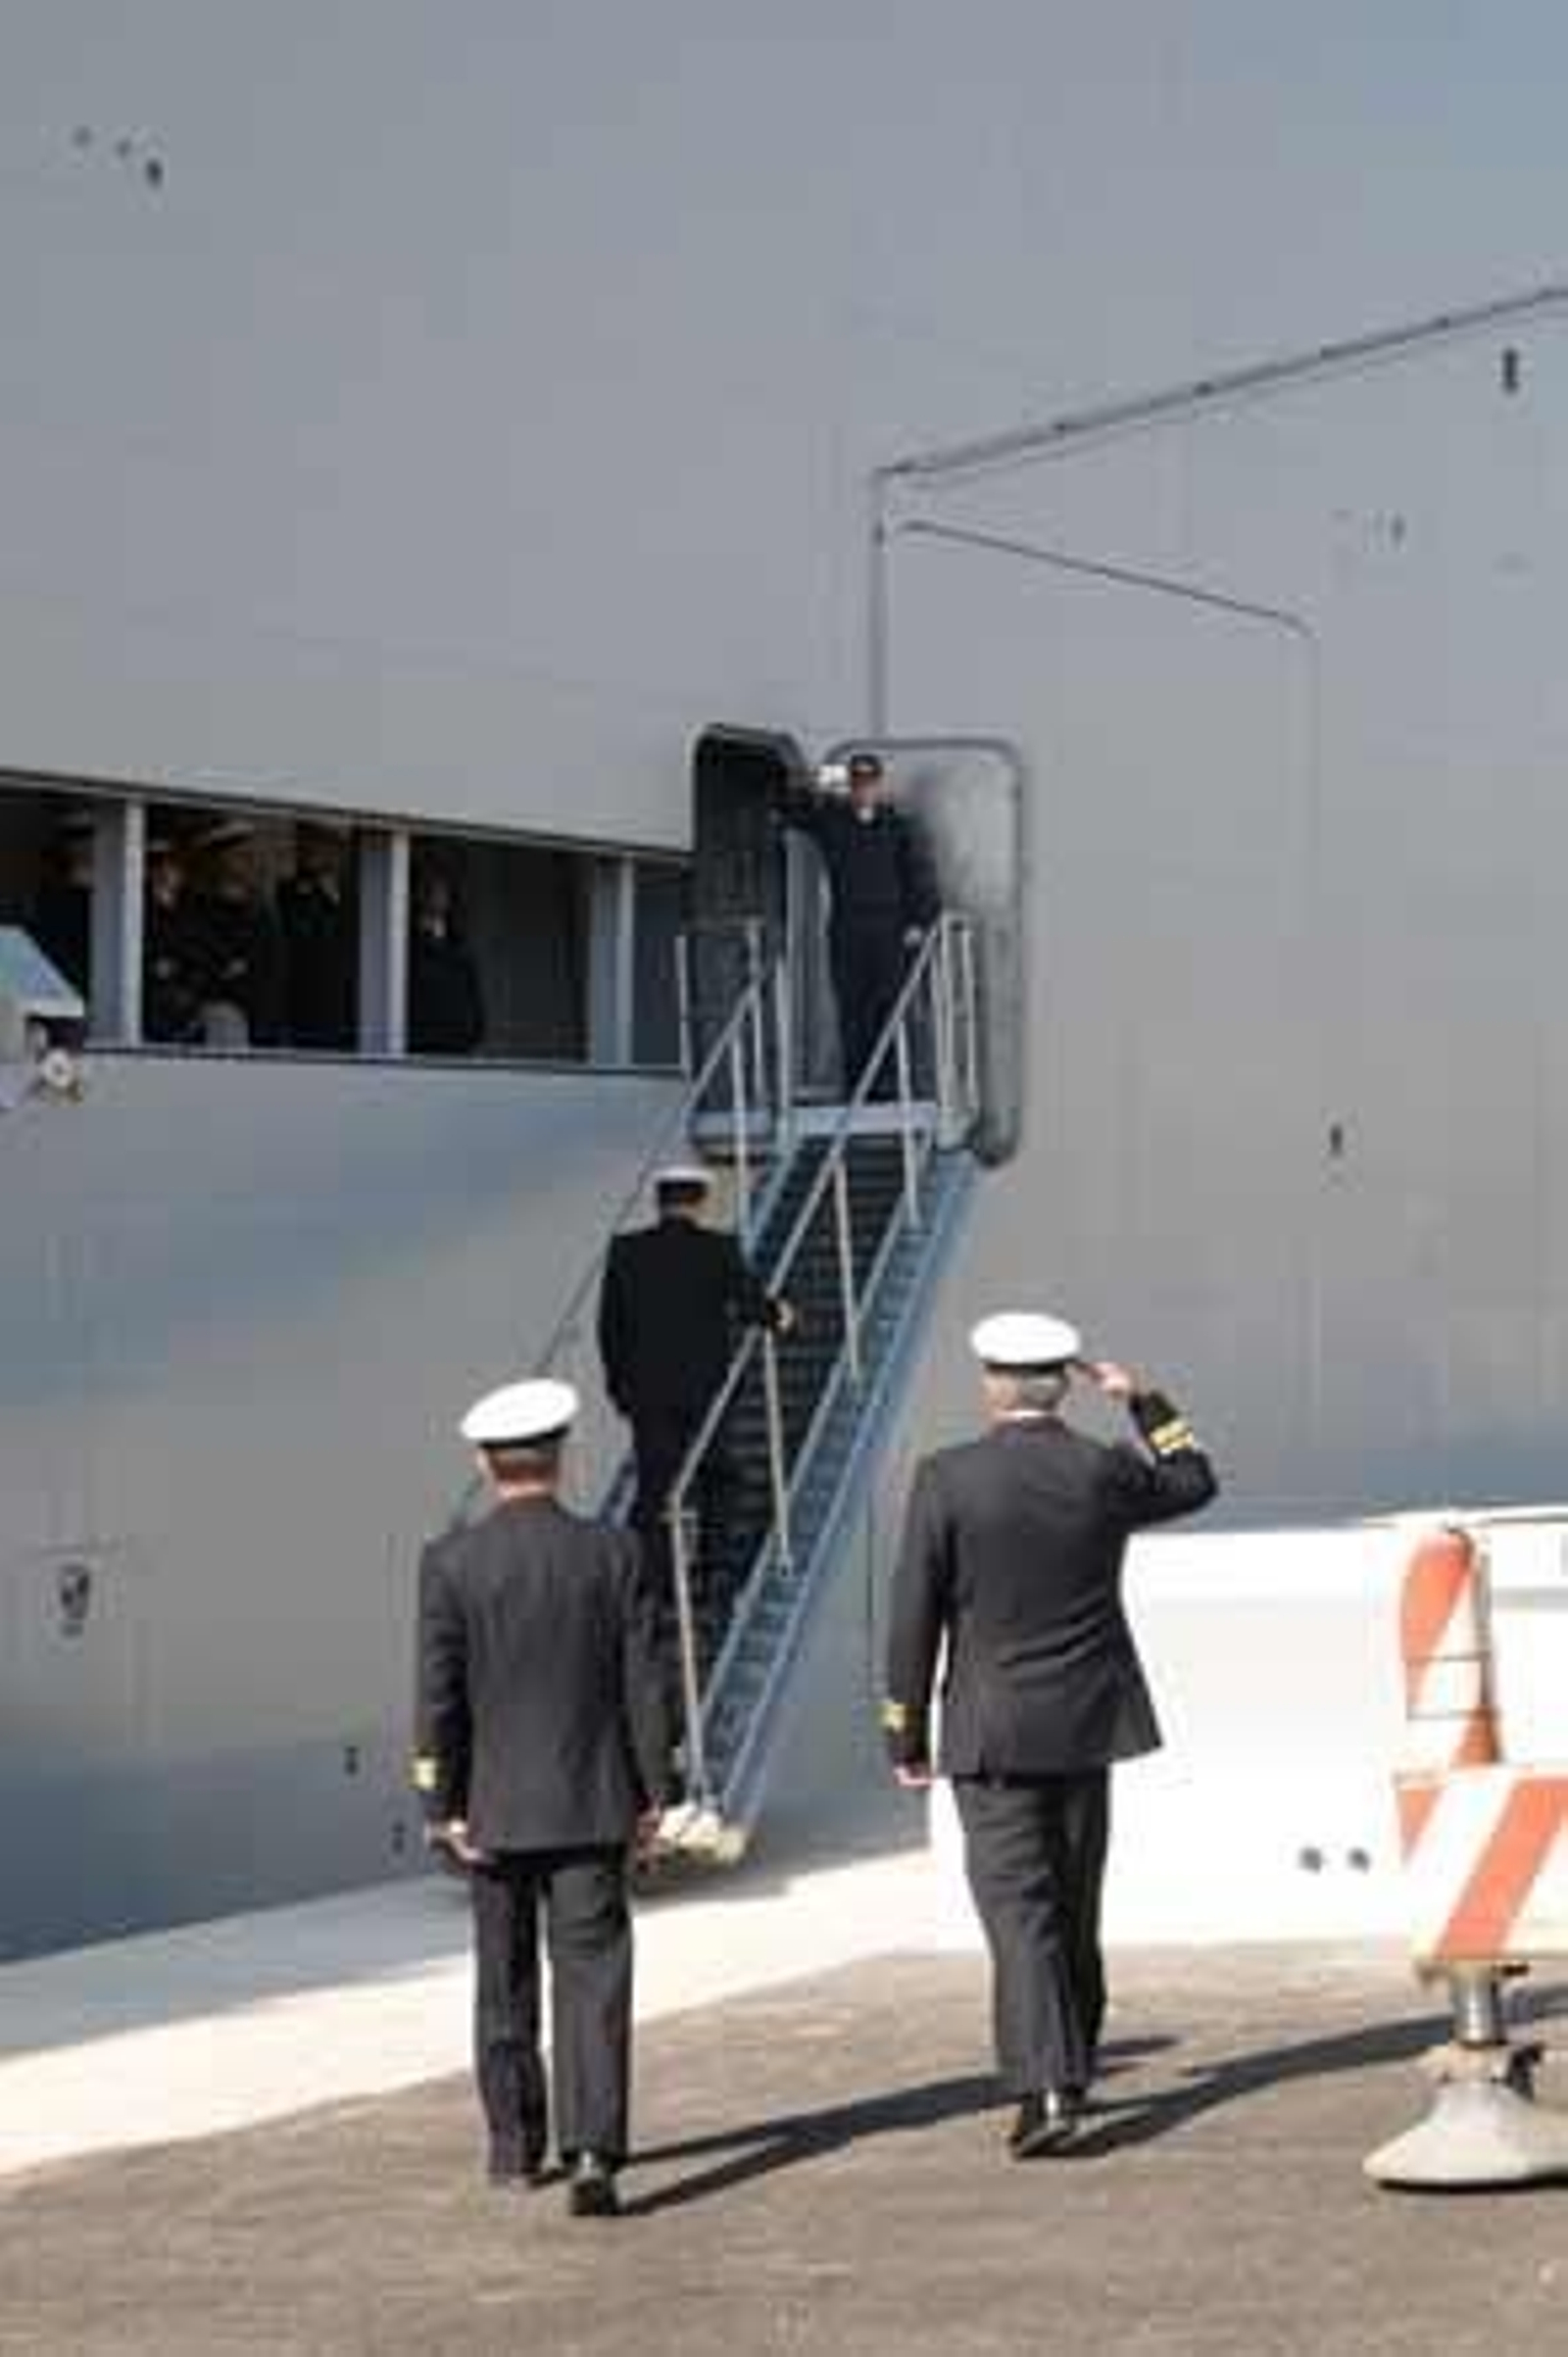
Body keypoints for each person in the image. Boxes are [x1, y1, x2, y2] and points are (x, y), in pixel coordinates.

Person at [883, 1310, 1217, 2159]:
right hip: (1086, 1724)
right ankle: (1077, 2058)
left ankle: (1048, 2089)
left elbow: (913, 1615)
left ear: (993, 1383)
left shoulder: (947, 1478)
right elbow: (1194, 1479)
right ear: (1064, 1383)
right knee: (1073, 1904)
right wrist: (1144, 1400)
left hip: (990, 1731)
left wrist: (904, 1731)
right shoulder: (1102, 1469)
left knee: (1019, 1913)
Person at [413, 1375, 670, 2218]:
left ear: (487, 1463)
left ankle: (514, 2147)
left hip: (493, 1807)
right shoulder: (613, 1552)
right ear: (561, 1455)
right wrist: (653, 1789)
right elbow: (644, 1682)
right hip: (593, 1799)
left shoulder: (451, 1562)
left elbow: (438, 1696)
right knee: (592, 1977)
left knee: (504, 1976)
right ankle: (593, 2148)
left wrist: (438, 1801)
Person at [597, 1164, 791, 1626]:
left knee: (654, 1489)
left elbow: (610, 1330)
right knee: (719, 1476)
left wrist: (621, 1390)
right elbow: (749, 1303)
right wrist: (780, 1317)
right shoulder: (716, 1249)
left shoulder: (626, 1251)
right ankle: (712, 1574)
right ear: (700, 1201)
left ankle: (656, 1590)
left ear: (659, 1201)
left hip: (648, 1396)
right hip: (706, 1391)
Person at [775, 750, 939, 1091]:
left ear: (879, 786)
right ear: (850, 786)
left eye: (869, 783)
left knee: (891, 1004)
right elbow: (790, 809)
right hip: (847, 927)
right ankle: (858, 1086)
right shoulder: (833, 821)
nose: (863, 790)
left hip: (890, 927)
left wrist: (919, 922)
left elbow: (917, 876)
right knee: (852, 1008)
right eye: (857, 783)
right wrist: (819, 780)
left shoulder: (896, 826)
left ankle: (893, 1084)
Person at [187, 818, 284, 1047]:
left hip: (264, 1029)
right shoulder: (200, 911)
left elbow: (274, 973)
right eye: (238, 854)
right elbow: (208, 969)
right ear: (218, 859)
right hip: (222, 1030)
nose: (248, 861)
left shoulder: (263, 915)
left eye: (248, 854)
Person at [277, 820, 357, 1049]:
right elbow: (300, 940)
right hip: (308, 1008)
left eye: (327, 845)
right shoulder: (291, 891)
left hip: (346, 1011)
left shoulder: (353, 896)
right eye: (312, 843)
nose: (315, 851)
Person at [408, 865, 484, 1055]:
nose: (437, 894)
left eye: (442, 889)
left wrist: (470, 1034)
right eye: (429, 888)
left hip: (456, 1053)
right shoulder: (403, 943)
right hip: (420, 1053)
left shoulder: (459, 944)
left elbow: (473, 1000)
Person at [141, 833, 206, 1044]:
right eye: (156, 865)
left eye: (170, 865)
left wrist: (183, 971)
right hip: (149, 1004)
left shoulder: (191, 909)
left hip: (188, 1003)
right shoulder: (139, 907)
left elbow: (200, 952)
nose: (164, 872)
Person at [30, 809, 94, 999]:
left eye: (86, 836)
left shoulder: (114, 889)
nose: (81, 845)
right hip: (67, 990)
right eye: (74, 838)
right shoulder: (53, 895)